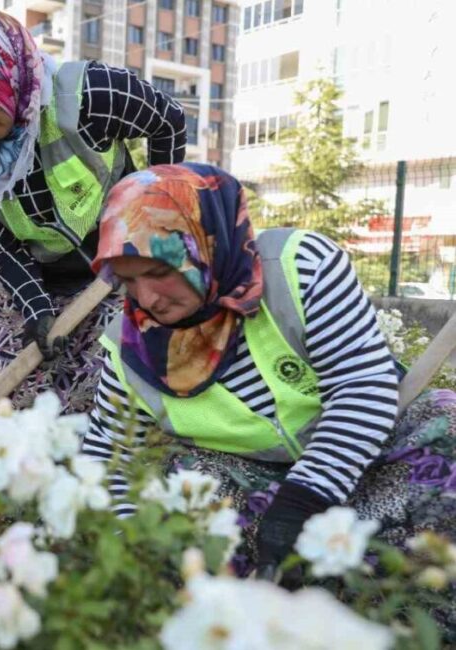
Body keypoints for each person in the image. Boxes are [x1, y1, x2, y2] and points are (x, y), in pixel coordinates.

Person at [82, 163, 456, 593]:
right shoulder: (129, 346)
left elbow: (362, 388)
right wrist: (131, 559)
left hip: (367, 457)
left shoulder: (300, 268)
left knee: (447, 423)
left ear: (206, 244)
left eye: (160, 271)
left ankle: (394, 587)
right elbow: (109, 463)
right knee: (177, 481)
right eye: (128, 281)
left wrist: (300, 505)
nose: (146, 299)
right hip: (256, 494)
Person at [0, 7, 186, 416]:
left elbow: (167, 121)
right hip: (33, 272)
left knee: (105, 398)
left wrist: (152, 224)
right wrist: (35, 305)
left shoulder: (87, 94)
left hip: (118, 266)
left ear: (4, 73)